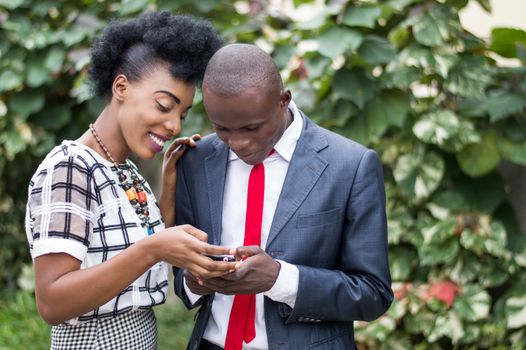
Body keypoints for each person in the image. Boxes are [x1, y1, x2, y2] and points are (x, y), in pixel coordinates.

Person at [24, 12, 237, 349]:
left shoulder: (120, 167)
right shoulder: (70, 167)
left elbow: (133, 246)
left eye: (181, 115)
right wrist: (153, 249)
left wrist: (167, 189)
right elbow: (52, 301)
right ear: (121, 87)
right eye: (164, 105)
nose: (174, 127)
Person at [172, 43, 393, 350]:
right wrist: (194, 281)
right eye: (222, 128)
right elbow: (182, 277)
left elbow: (373, 294)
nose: (237, 143)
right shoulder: (196, 161)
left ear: (283, 100)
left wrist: (279, 279)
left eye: (252, 127)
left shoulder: (350, 166)